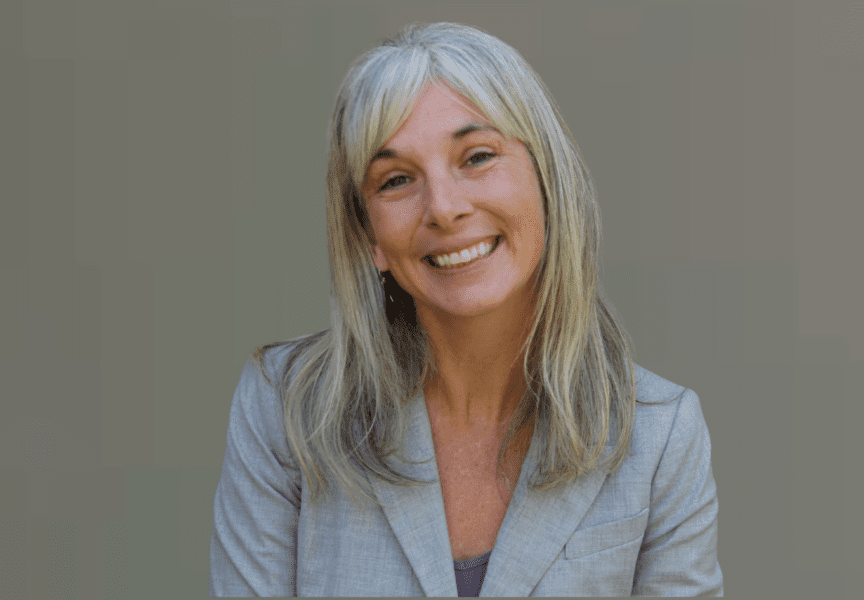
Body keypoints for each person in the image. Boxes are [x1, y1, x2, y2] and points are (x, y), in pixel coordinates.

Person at [209, 22, 723, 597]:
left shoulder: (660, 435)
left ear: (546, 180)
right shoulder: (284, 412)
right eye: (397, 180)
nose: (444, 208)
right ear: (370, 235)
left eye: (477, 157)